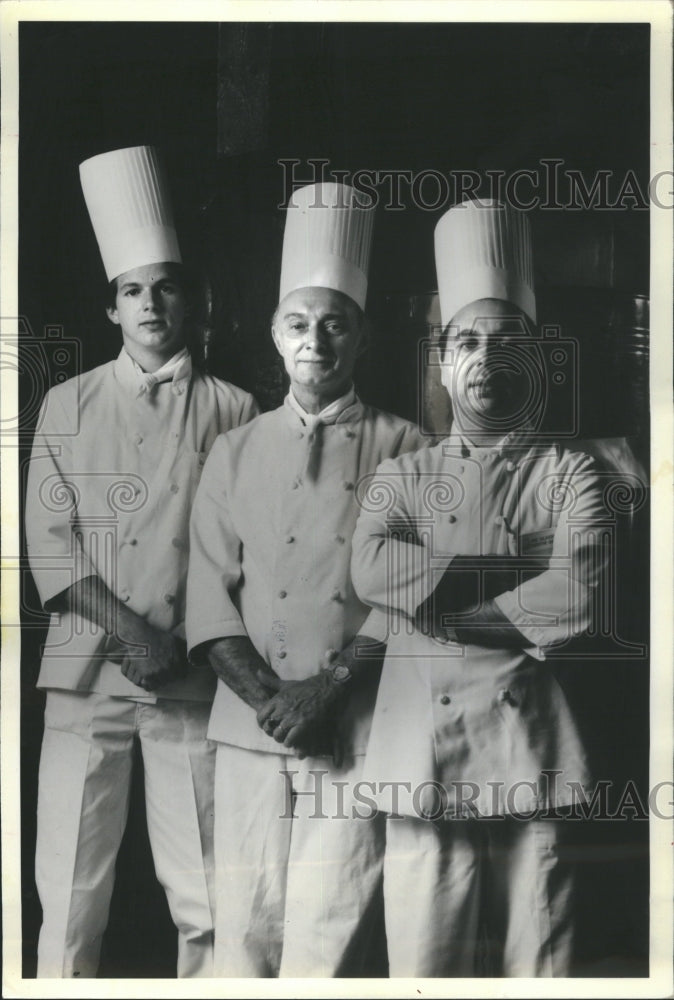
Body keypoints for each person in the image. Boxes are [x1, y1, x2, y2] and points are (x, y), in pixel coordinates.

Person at [351, 199, 609, 977]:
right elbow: (367, 565)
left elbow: (580, 595)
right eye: (467, 340)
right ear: (442, 359)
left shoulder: (573, 471)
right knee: (425, 970)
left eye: (508, 341)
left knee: (543, 966)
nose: (487, 359)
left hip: (532, 751)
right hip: (418, 760)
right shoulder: (401, 472)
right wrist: (515, 581)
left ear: (535, 355)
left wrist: (427, 599)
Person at [25, 145, 259, 978]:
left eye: (167, 286)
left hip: (190, 677)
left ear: (195, 302)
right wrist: (130, 632)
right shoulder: (67, 401)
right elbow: (47, 540)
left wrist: (179, 641)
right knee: (68, 891)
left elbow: (242, 548)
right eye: (133, 290)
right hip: (87, 673)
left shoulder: (237, 408)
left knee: (200, 894)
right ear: (112, 309)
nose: (151, 302)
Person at [186, 182, 426, 977]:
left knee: (326, 935)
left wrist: (326, 692)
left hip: (356, 724)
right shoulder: (235, 450)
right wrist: (275, 703)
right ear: (274, 336)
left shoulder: (408, 445)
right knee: (242, 931)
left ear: (361, 337)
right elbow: (209, 601)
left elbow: (416, 596)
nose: (315, 340)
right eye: (298, 323)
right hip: (249, 729)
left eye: (334, 324)